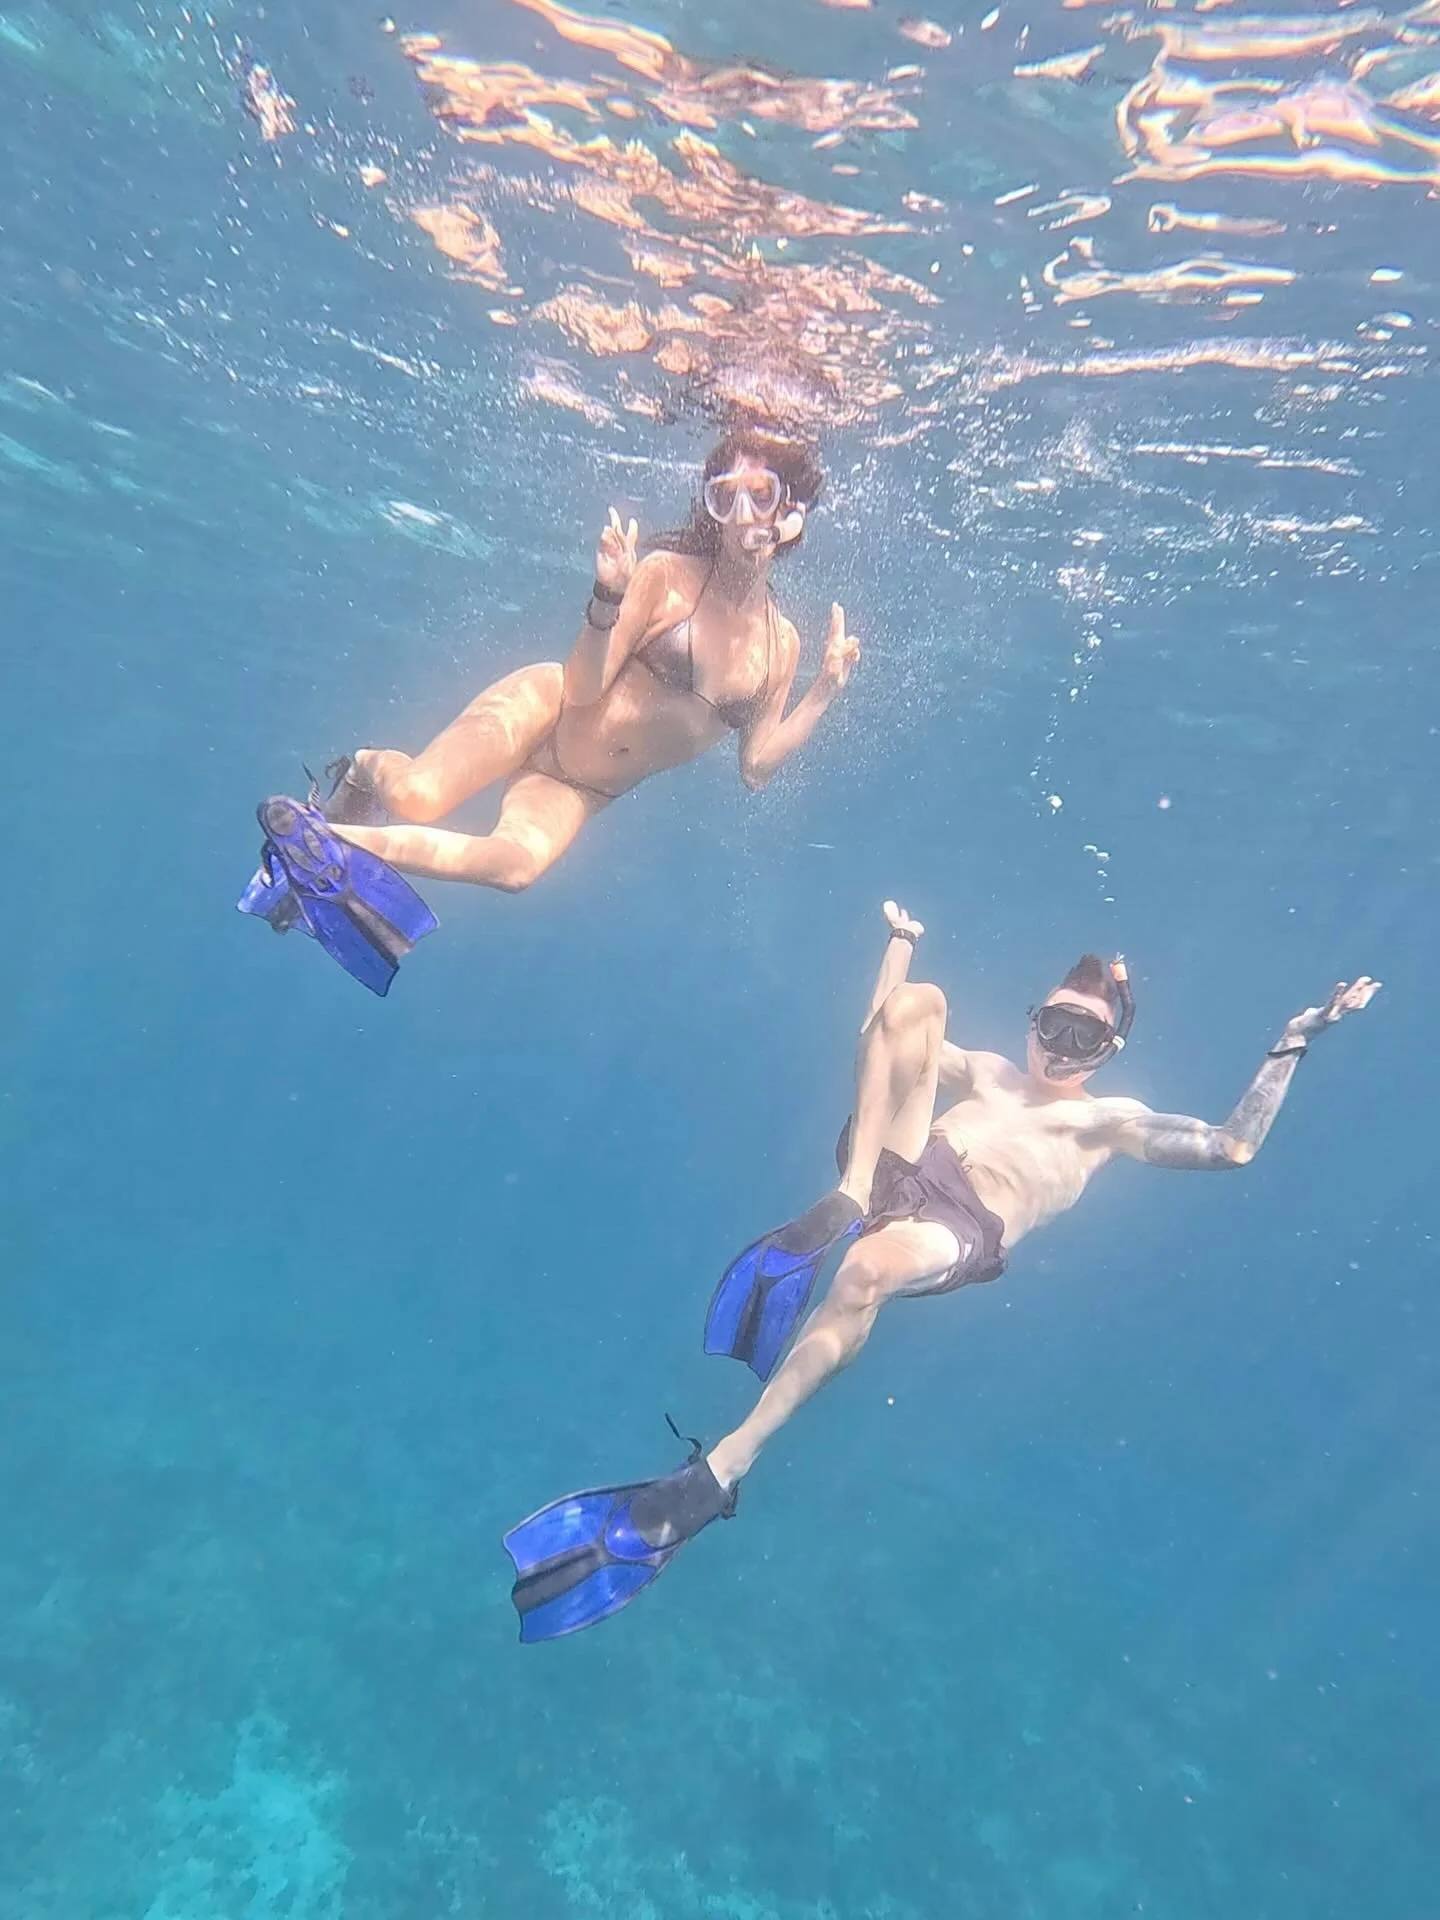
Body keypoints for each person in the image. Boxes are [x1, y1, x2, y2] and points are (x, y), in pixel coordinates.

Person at [502, 901, 1380, 1642]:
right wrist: (901, 944)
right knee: (921, 1002)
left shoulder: (1109, 1118)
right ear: (1033, 1022)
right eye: (1052, 1026)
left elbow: (1230, 1148)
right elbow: (879, 1033)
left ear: (1111, 1051)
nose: (1060, 1048)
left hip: (965, 1225)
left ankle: (722, 1469)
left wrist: (1293, 1041)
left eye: (1085, 1036)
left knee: (865, 1273)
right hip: (896, 1162)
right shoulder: (991, 1070)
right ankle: (845, 1194)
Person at [238, 427, 859, 993]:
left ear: (791, 514)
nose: (740, 514)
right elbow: (585, 688)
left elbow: (755, 766)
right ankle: (364, 767)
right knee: (418, 796)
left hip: (579, 785)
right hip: (548, 707)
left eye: (759, 494)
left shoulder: (784, 646)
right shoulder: (666, 576)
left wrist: (823, 689)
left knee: (516, 868)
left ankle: (323, 840)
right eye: (724, 497)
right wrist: (608, 595)